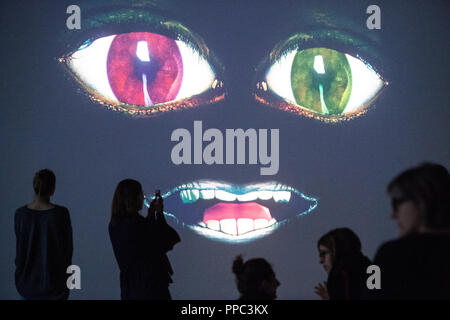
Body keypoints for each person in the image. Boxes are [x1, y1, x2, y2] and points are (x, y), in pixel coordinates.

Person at [372, 163, 450, 299]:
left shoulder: (390, 254)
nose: (393, 214)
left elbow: (371, 293)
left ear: (421, 201)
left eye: (396, 203)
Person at [108, 179, 181, 300]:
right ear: (134, 198)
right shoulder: (138, 225)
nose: (143, 197)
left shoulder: (115, 225)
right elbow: (164, 242)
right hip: (151, 288)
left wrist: (151, 216)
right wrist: (158, 214)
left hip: (130, 288)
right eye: (141, 194)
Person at [14, 169, 73, 300]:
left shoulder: (20, 215)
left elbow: (20, 252)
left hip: (27, 285)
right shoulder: (61, 214)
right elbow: (67, 252)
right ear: (53, 189)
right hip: (55, 286)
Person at [314, 228, 372, 300]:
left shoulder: (339, 275)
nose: (321, 261)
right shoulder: (371, 268)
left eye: (324, 253)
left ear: (337, 251)